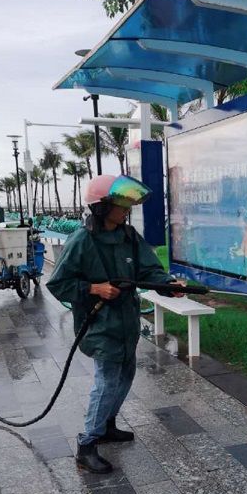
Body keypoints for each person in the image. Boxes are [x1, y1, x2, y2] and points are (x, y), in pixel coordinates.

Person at [47, 174, 181, 474]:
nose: (126, 210)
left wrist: (168, 284)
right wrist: (94, 288)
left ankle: (107, 425)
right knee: (107, 381)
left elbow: (149, 270)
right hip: (100, 323)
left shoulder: (128, 236)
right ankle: (87, 445)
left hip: (127, 322)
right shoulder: (82, 240)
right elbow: (58, 283)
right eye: (121, 205)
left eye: (127, 205)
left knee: (126, 375)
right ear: (101, 207)